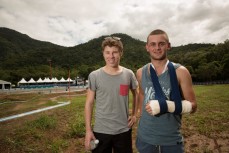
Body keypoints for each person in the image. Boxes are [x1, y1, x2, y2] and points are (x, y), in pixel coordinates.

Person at [135, 29, 197, 153]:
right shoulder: (140, 72)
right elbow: (142, 93)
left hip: (170, 140)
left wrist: (166, 106)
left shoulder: (181, 72)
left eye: (161, 44)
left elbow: (193, 106)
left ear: (168, 46)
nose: (157, 48)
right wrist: (139, 114)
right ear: (147, 47)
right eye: (152, 44)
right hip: (145, 138)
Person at [84, 36, 138, 153]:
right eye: (107, 52)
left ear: (121, 53)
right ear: (103, 53)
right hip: (101, 131)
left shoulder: (128, 74)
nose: (111, 56)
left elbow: (136, 94)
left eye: (115, 52)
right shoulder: (94, 76)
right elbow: (89, 103)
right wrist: (88, 130)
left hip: (124, 130)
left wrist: (134, 114)